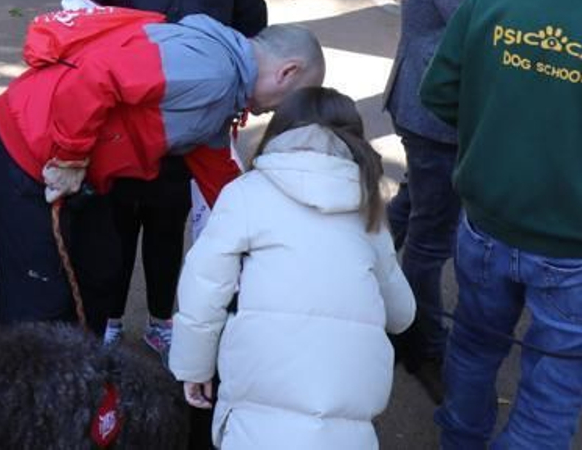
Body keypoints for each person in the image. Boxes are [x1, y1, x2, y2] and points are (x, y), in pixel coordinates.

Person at [420, 0, 582, 449]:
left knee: (474, 348)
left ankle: (460, 438)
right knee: (555, 386)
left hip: (486, 224)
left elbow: (439, 94)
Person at [0, 10, 325, 332]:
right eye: (288, 102)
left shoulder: (227, 89)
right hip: (29, 148)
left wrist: (261, 232)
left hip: (78, 165)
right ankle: (25, 386)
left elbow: (215, 167)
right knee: (38, 294)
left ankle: (80, 373)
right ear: (287, 72)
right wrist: (71, 158)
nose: (276, 113)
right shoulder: (212, 70)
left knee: (100, 273)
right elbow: (97, 75)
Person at [382, 0, 547, 398]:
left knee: (413, 212)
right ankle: (418, 343)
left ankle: (368, 280)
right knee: (431, 239)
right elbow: (493, 38)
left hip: (438, 111)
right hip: (438, 117)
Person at [71, 0, 267, 354]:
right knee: (111, 232)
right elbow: (73, 22)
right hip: (119, 129)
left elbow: (253, 36)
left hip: (187, 136)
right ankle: (108, 320)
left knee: (166, 231)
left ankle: (162, 319)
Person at [171, 87, 414, 448]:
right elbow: (402, 314)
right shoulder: (369, 207)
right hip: (346, 419)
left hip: (256, 405)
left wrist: (194, 368)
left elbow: (203, 286)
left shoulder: (245, 193)